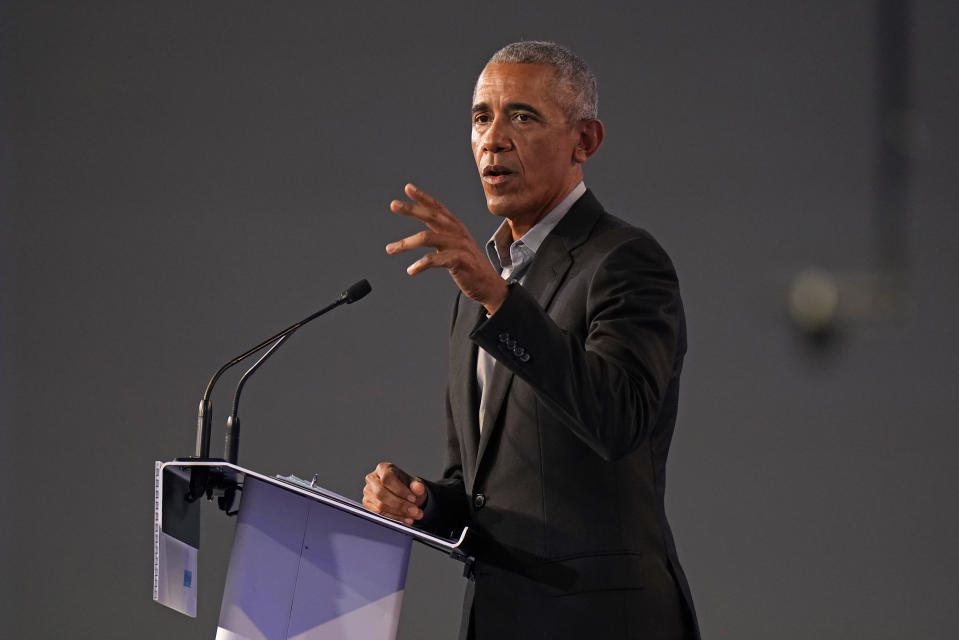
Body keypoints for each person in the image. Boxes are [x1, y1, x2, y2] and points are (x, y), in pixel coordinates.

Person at [363, 41, 699, 640]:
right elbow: (479, 490)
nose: (493, 138)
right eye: (480, 117)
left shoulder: (624, 261)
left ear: (585, 141)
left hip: (604, 622)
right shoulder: (481, 292)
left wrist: (498, 299)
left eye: (522, 116)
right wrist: (420, 502)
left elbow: (619, 420)